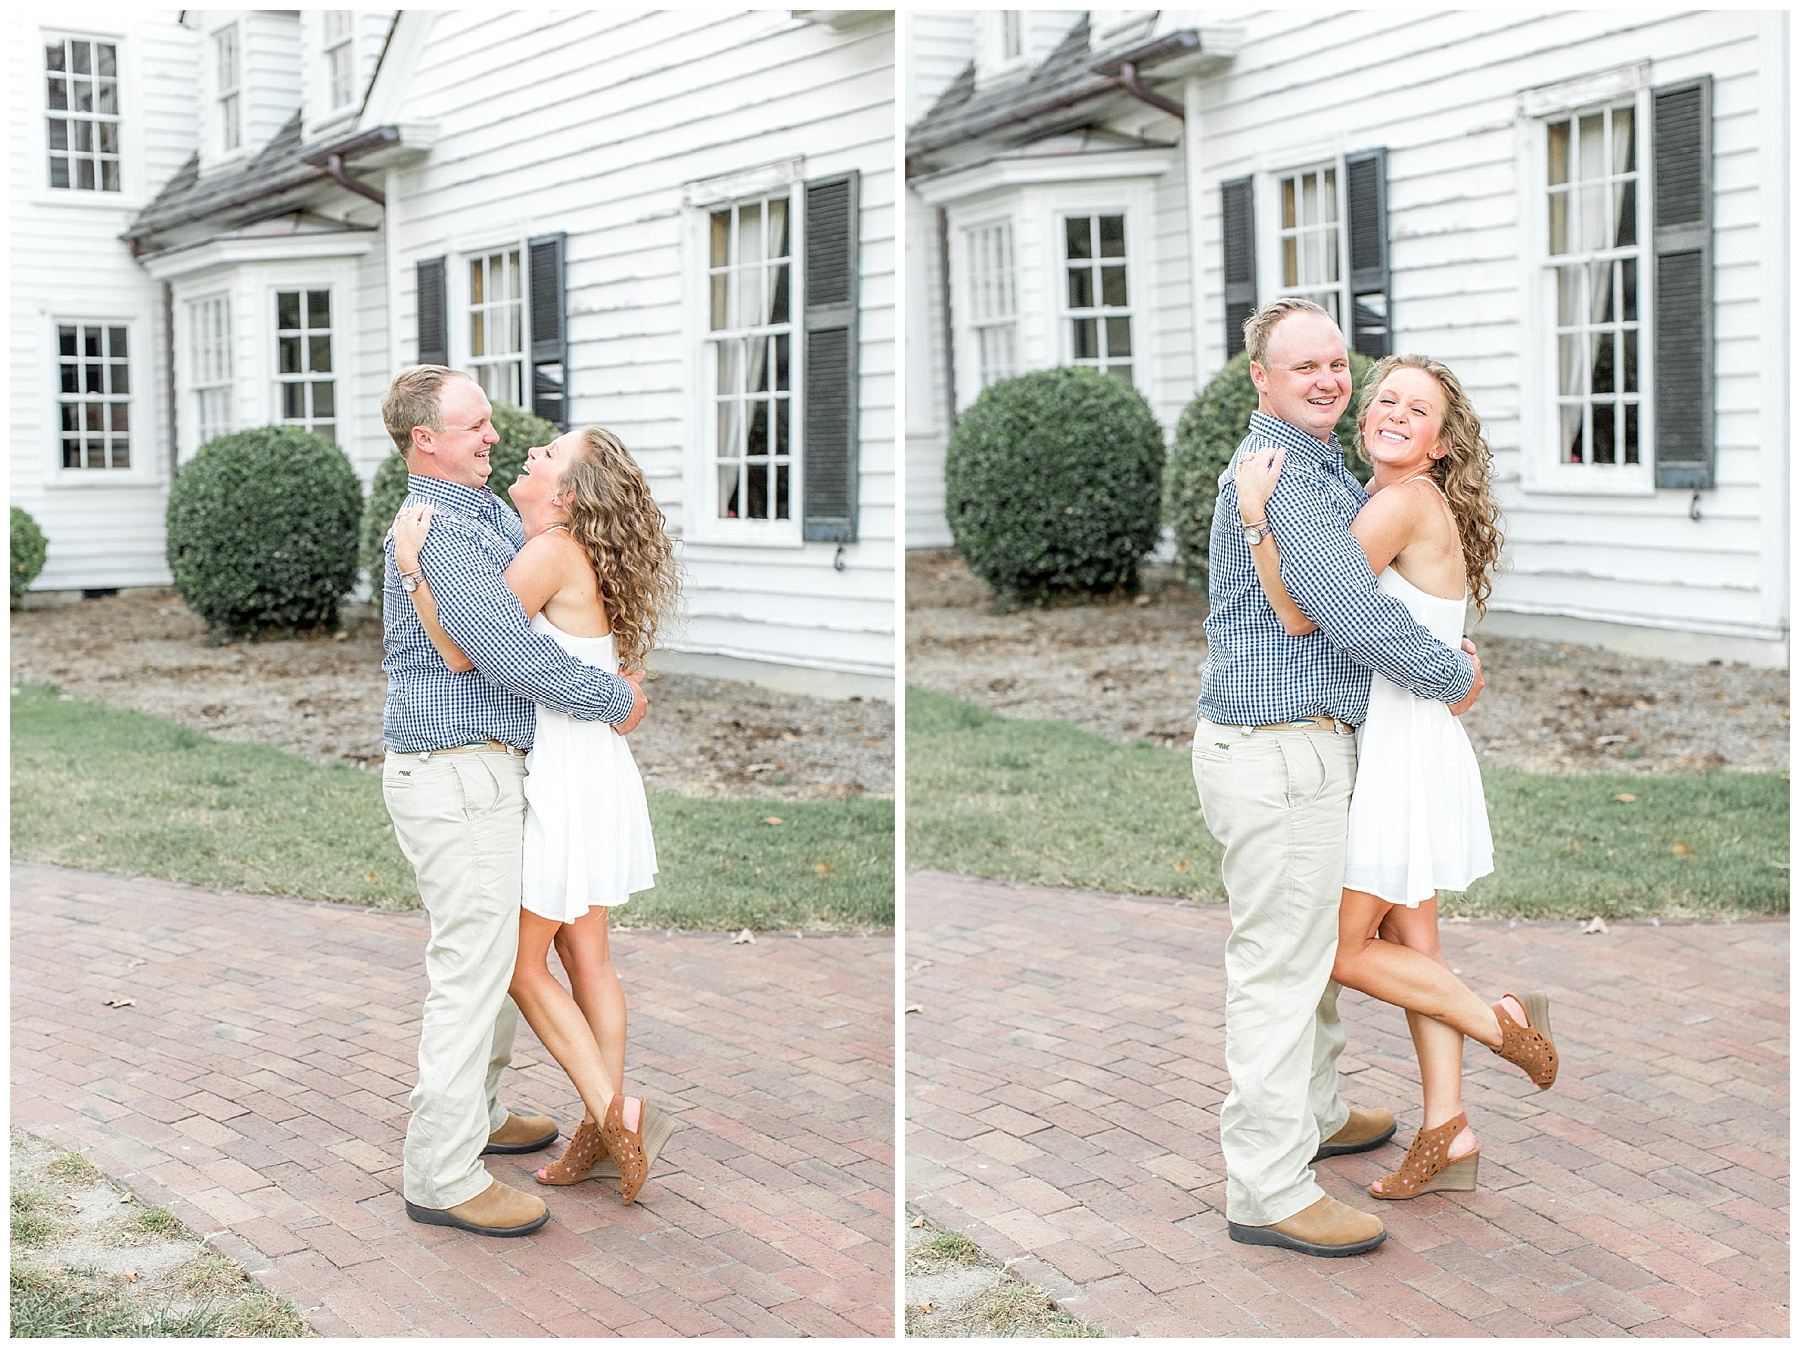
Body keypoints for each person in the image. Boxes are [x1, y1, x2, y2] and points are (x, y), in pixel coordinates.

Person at [1192, 298, 1484, 1260]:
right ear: (1260, 380)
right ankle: (1269, 1188)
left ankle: (1313, 1113)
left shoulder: (1317, 471)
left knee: (1311, 949)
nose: (1326, 379)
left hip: (1309, 744)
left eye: (1335, 363)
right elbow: (1340, 613)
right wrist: (1454, 675)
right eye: (1302, 365)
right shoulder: (1285, 477)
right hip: (1278, 749)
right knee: (1283, 969)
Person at [1231, 353, 1558, 1201]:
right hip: (1411, 739)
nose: (1395, 413)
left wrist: (1259, 517)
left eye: (1419, 410)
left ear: (1441, 444)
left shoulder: (1403, 503)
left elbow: (1304, 610)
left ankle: (1503, 1027)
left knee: (1341, 951)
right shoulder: (1388, 500)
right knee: (1418, 949)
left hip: (1404, 752)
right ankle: (1447, 1133)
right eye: (1388, 399)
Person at [378, 365, 648, 1239]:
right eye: (476, 425)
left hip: (499, 767)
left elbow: (550, 605)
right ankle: (442, 1173)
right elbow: (498, 653)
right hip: (454, 768)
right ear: (427, 439)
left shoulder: (486, 512)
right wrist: (618, 702)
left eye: (493, 423)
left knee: (498, 962)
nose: (495, 436)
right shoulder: (437, 529)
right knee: (473, 969)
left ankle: (481, 1118)